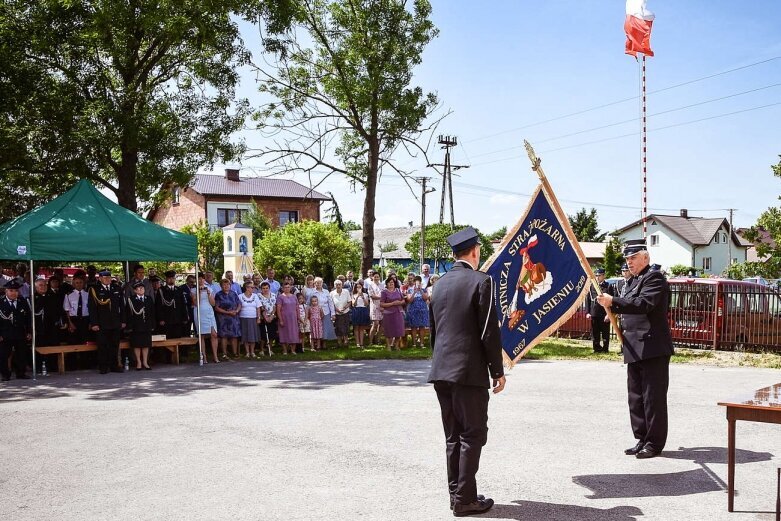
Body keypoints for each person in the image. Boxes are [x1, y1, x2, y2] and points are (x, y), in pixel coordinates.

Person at [428, 227, 505, 516]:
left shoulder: (440, 284)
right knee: (472, 435)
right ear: (475, 251)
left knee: (453, 436)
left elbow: (435, 332)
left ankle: (458, 494)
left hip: (441, 369)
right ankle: (464, 500)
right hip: (468, 372)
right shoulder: (481, 281)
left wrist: (438, 362)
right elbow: (488, 332)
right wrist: (497, 371)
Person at [597, 238, 675, 460]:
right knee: (636, 397)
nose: (629, 263)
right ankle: (642, 438)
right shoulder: (632, 281)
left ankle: (654, 443)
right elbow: (629, 303)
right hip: (633, 345)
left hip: (652, 347)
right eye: (627, 259)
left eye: (633, 258)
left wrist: (614, 302)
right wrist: (612, 309)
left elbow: (643, 304)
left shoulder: (655, 278)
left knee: (653, 398)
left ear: (646, 257)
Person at [88, 270, 126, 374]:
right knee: (102, 346)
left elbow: (122, 306)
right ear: (99, 278)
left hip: (115, 322)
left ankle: (114, 365)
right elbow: (92, 308)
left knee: (114, 345)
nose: (107, 279)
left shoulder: (116, 288)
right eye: (105, 278)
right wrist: (94, 323)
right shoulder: (94, 290)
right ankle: (103, 366)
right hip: (101, 323)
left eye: (109, 277)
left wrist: (123, 320)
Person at [0, 280, 32, 381]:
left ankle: (21, 373)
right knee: (3, 354)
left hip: (20, 332)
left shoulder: (22, 302)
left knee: (21, 353)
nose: (14, 293)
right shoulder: (1, 302)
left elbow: (28, 318)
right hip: (5, 333)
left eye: (16, 290)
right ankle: (5, 374)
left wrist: (29, 331)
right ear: (6, 291)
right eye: (11, 290)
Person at [126, 281, 155, 370]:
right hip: (136, 326)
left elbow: (152, 312)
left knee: (146, 344)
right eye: (138, 288)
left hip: (146, 325)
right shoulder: (131, 299)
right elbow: (128, 314)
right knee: (137, 345)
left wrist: (153, 324)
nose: (140, 289)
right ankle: (138, 362)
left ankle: (145, 362)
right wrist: (129, 326)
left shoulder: (148, 298)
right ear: (135, 290)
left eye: (142, 288)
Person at [193, 273, 219, 364]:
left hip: (209, 311)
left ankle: (215, 356)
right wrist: (199, 292)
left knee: (214, 334)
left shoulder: (210, 289)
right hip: (199, 312)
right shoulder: (193, 290)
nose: (201, 281)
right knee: (202, 335)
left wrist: (208, 294)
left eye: (202, 279)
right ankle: (204, 357)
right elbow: (196, 303)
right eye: (199, 279)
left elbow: (213, 303)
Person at [585, 268, 613, 353]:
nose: (597, 277)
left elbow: (612, 300)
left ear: (603, 276)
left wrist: (608, 314)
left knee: (605, 332)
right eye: (596, 275)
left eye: (599, 275)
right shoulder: (592, 286)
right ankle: (596, 348)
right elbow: (588, 300)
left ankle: (605, 348)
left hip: (604, 312)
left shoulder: (608, 286)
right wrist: (588, 312)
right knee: (595, 332)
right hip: (594, 312)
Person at [155, 270, 189, 340]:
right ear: (166, 279)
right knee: (167, 339)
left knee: (177, 338)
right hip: (166, 320)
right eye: (169, 278)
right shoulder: (161, 290)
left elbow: (183, 304)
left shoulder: (179, 290)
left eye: (173, 278)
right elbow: (158, 306)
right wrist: (161, 319)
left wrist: (185, 317)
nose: (171, 280)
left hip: (177, 319)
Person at [214, 278, 241, 359]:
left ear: (230, 285)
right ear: (221, 286)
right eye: (224, 285)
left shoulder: (234, 294)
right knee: (224, 336)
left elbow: (239, 303)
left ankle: (235, 353)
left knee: (234, 335)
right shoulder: (218, 294)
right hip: (223, 318)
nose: (226, 286)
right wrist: (228, 312)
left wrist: (236, 311)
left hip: (234, 317)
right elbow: (217, 308)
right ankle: (224, 354)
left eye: (228, 284)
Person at [380, 277, 405, 351]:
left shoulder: (398, 290)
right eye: (389, 282)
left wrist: (400, 302)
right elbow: (381, 304)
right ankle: (388, 346)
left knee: (398, 329)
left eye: (392, 282)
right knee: (389, 330)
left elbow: (403, 300)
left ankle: (396, 345)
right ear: (386, 284)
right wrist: (392, 303)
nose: (391, 283)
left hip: (398, 312)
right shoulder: (384, 292)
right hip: (388, 313)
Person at [64, 275, 91, 344]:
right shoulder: (68, 295)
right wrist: (70, 323)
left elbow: (91, 310)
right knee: (73, 342)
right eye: (77, 282)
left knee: (84, 342)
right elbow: (67, 310)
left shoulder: (88, 295)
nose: (79, 284)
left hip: (85, 320)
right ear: (73, 284)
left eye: (81, 282)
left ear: (84, 283)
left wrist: (90, 322)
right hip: (74, 320)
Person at [405, 275, 430, 347]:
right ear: (414, 283)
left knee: (422, 327)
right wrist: (414, 292)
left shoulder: (424, 290)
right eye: (416, 283)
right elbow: (409, 300)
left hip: (422, 310)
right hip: (413, 310)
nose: (418, 284)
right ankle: (414, 344)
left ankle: (422, 343)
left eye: (419, 283)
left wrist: (421, 291)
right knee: (414, 327)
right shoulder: (410, 290)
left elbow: (425, 298)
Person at [238, 281, 261, 358]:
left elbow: (258, 308)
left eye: (253, 287)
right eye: (252, 287)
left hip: (253, 318)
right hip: (243, 318)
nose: (253, 288)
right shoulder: (240, 296)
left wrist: (258, 318)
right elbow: (238, 307)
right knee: (246, 336)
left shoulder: (255, 296)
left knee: (253, 336)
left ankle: (252, 352)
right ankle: (247, 352)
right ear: (247, 288)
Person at [276, 281, 299, 355]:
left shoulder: (294, 296)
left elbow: (297, 308)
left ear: (291, 288)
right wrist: (280, 320)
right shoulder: (280, 297)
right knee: (284, 333)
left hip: (293, 318)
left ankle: (293, 350)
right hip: (284, 318)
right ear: (282, 288)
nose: (287, 288)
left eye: (288, 287)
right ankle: (285, 350)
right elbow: (278, 309)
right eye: (285, 287)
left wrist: (298, 318)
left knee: (294, 333)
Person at [313, 277, 336, 345]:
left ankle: (324, 343)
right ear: (315, 284)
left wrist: (333, 313)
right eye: (317, 283)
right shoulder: (312, 292)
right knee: (318, 328)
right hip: (316, 313)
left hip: (326, 312)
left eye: (320, 283)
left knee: (325, 328)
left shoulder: (326, 291)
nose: (318, 284)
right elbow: (309, 303)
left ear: (322, 283)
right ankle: (318, 343)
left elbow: (330, 303)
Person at [257, 282, 277, 356]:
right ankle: (261, 350)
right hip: (263, 317)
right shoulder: (258, 296)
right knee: (263, 334)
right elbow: (261, 307)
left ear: (269, 288)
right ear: (261, 289)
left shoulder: (273, 295)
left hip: (272, 317)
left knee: (271, 334)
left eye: (267, 288)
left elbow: (275, 306)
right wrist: (265, 317)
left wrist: (272, 315)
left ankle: (270, 349)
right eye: (263, 288)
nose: (265, 290)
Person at [331, 279, 351, 347]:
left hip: (345, 311)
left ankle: (346, 341)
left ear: (342, 285)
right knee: (338, 327)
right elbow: (331, 304)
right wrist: (337, 309)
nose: (338, 286)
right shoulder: (332, 293)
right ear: (334, 286)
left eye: (339, 284)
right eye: (336, 284)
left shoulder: (346, 291)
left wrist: (344, 308)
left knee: (346, 326)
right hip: (337, 313)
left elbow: (349, 302)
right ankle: (339, 342)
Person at [351, 281, 370, 348]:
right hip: (356, 310)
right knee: (356, 328)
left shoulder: (365, 295)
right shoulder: (353, 295)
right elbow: (353, 304)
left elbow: (366, 304)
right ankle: (357, 343)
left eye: (360, 287)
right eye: (357, 287)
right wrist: (357, 297)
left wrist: (362, 297)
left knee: (362, 328)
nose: (359, 288)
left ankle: (361, 343)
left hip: (363, 310)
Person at [367, 272, 384, 345]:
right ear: (372, 277)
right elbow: (372, 296)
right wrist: (381, 297)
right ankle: (370, 341)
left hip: (382, 306)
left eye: (378, 277)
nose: (376, 278)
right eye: (375, 277)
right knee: (375, 324)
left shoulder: (382, 285)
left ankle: (378, 339)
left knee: (382, 325)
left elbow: (385, 294)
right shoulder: (370, 285)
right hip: (374, 306)